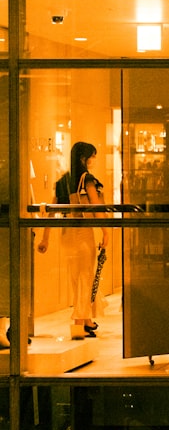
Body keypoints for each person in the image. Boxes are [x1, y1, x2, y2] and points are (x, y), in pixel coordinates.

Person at [37, 141, 111, 338]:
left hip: (66, 234)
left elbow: (52, 211)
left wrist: (45, 239)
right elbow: (97, 208)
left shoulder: (63, 181)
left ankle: (86, 319)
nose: (94, 159)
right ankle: (79, 323)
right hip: (82, 233)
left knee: (75, 279)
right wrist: (106, 232)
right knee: (85, 277)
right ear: (83, 158)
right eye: (92, 155)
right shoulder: (86, 179)